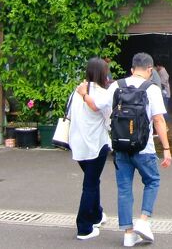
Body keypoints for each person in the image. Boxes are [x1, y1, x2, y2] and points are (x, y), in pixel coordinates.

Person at [106, 52, 172, 247]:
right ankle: (143, 220)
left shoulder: (115, 86)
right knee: (152, 181)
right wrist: (166, 149)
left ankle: (128, 234)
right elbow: (158, 120)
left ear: (132, 69)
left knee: (124, 188)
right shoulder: (151, 89)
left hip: (120, 147)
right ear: (150, 70)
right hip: (144, 148)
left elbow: (107, 113)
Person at [69, 57, 112, 240]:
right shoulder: (103, 94)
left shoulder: (77, 91)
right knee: (90, 184)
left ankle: (97, 214)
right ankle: (84, 227)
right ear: (103, 73)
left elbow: (70, 114)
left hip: (77, 145)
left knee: (92, 181)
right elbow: (109, 120)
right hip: (96, 145)